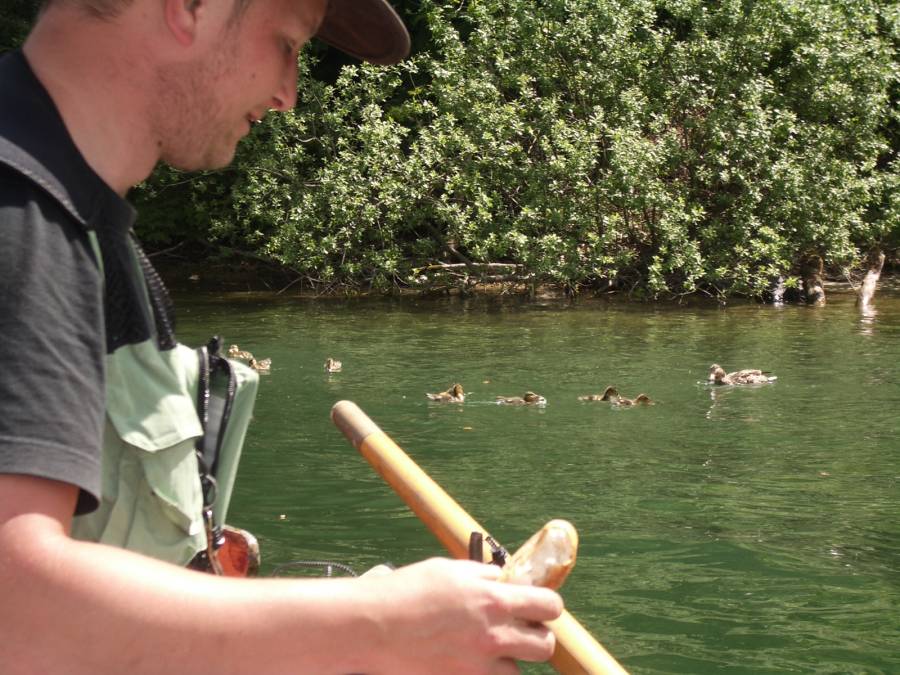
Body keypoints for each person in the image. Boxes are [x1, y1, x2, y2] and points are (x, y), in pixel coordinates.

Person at [0, 0, 563, 673]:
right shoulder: (19, 221)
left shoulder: (77, 226)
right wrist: (375, 624)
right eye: (287, 44)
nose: (289, 95)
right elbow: (17, 609)